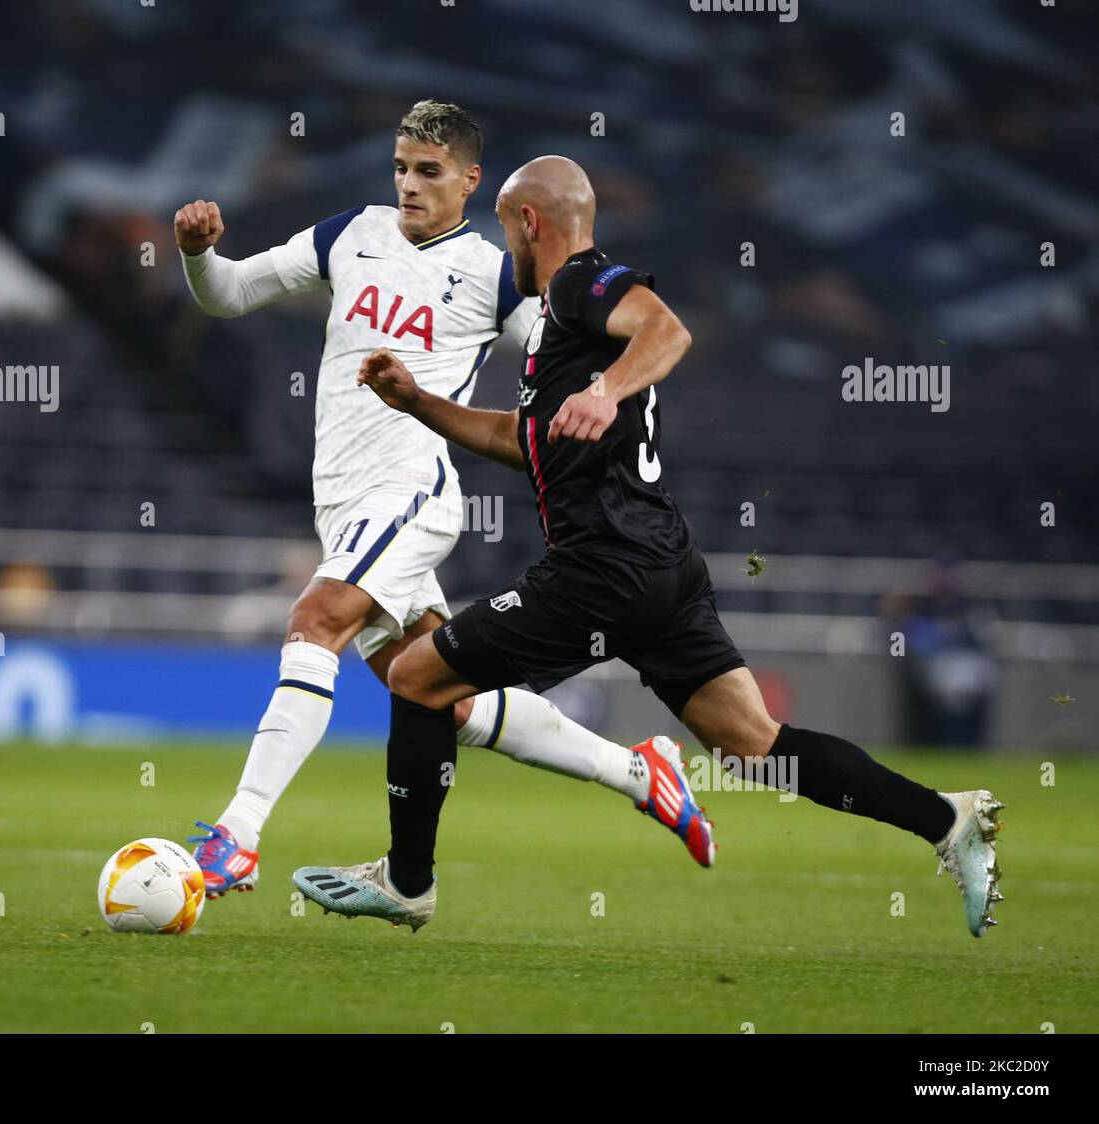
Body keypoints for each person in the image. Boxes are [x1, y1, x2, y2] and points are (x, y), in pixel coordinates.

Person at [293, 155, 1004, 938]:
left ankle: (407, 882)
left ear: (529, 222)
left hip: (601, 568)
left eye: (506, 229)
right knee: (755, 745)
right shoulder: (564, 328)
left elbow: (668, 329)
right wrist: (420, 402)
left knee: (420, 676)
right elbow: (525, 439)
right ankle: (945, 817)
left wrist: (605, 391)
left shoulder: (578, 285)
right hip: (662, 566)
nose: (508, 251)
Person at [176, 105, 709, 896]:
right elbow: (226, 293)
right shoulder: (348, 234)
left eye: (428, 171)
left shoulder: (498, 277)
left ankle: (238, 834)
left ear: (470, 181)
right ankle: (640, 771)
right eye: (400, 167)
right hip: (342, 499)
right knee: (433, 690)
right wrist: (197, 254)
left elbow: (581, 340)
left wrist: (608, 397)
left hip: (411, 489)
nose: (409, 184)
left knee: (314, 620)